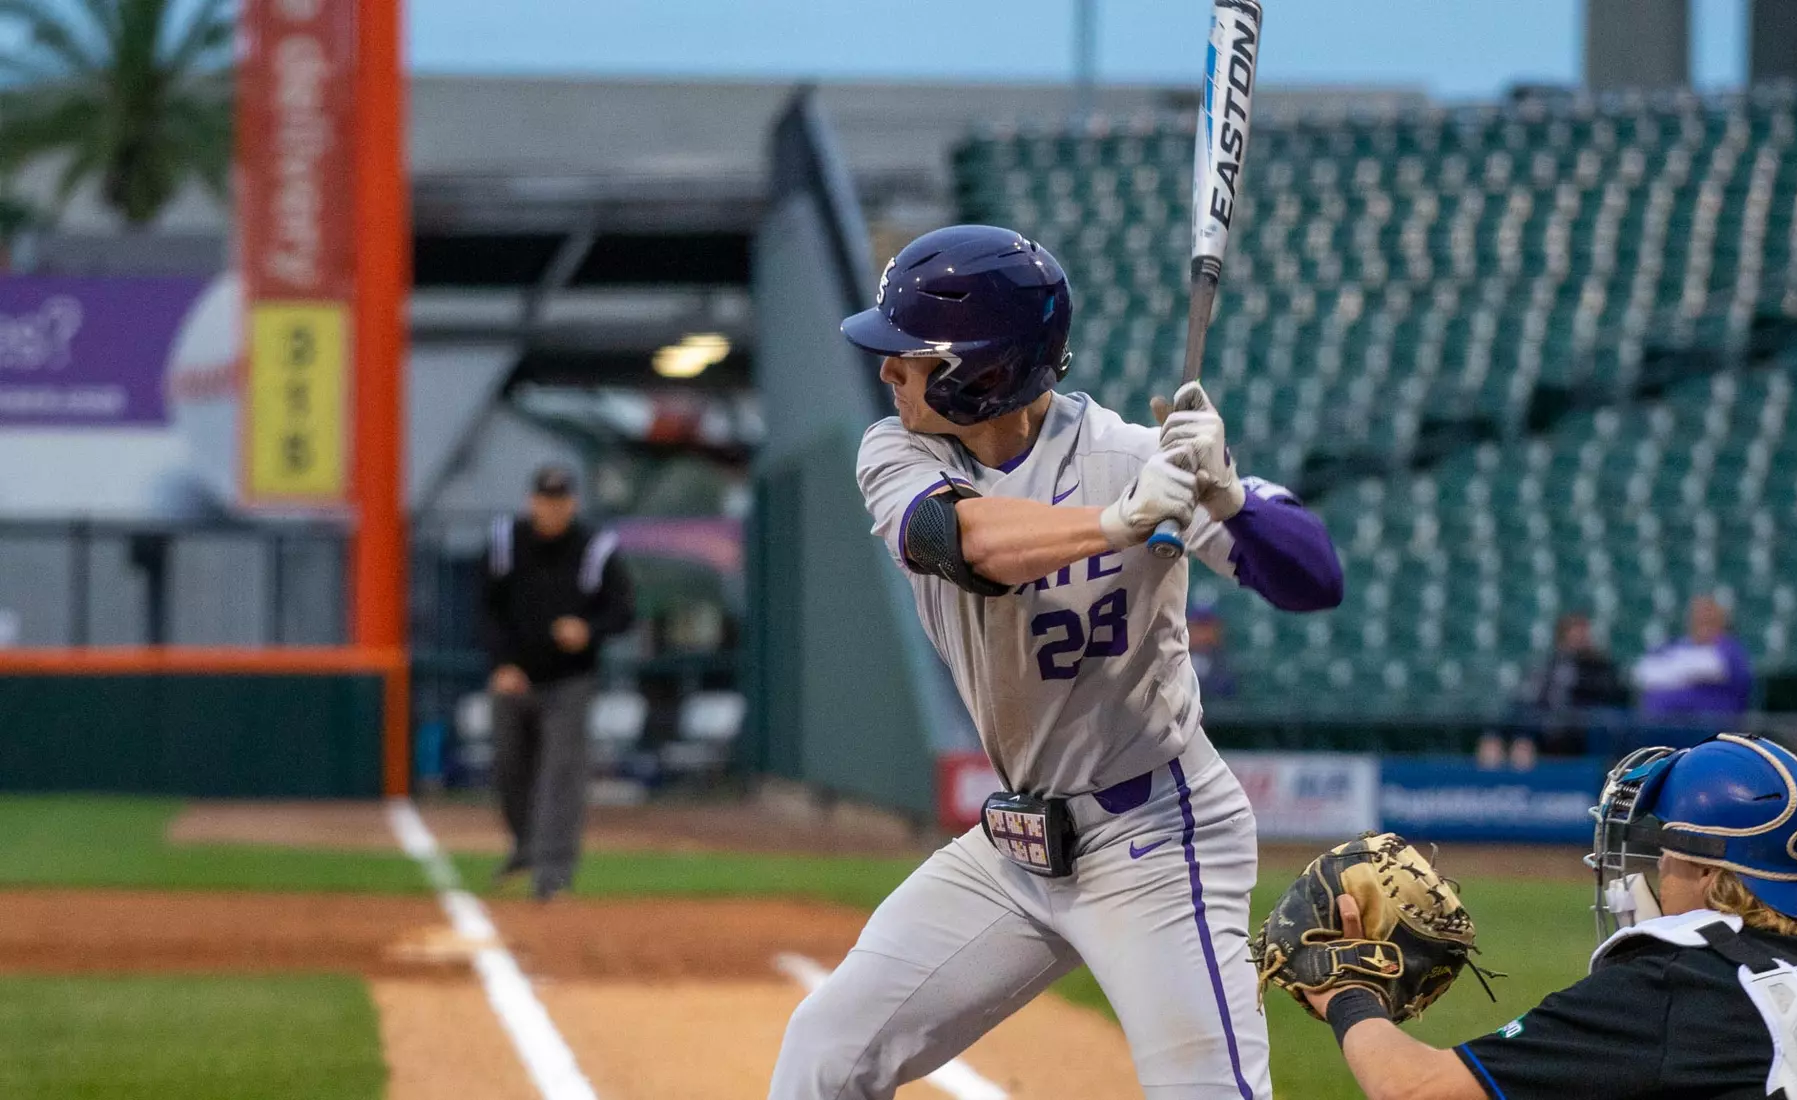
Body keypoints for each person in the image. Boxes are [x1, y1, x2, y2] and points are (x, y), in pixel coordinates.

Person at [768, 225, 1344, 1099]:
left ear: (986, 372)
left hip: (1157, 835)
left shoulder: (1130, 458)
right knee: (827, 1051)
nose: (888, 372)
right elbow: (958, 539)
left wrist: (1228, 495)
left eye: (912, 357)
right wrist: (1118, 522)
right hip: (1018, 847)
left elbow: (1315, 579)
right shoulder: (897, 449)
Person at [1300, 732, 1797, 1100]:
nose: (1653, 880)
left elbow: (1414, 1091)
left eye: (1665, 858)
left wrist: (1348, 992)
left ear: (1710, 875)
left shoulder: (1675, 983)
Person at [480, 465, 636, 900]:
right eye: (544, 500)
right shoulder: (505, 543)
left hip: (570, 680)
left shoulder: (594, 548)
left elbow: (623, 610)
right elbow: (486, 610)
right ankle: (525, 844)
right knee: (509, 764)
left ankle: (553, 871)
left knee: (560, 774)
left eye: (560, 500)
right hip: (516, 675)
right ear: (532, 502)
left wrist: (589, 630)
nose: (551, 508)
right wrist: (501, 664)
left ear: (572, 503)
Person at [1481, 613, 1629, 767]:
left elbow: (1608, 694)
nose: (1580, 638)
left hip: (1575, 721)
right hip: (1542, 717)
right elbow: (1536, 693)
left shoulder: (1598, 667)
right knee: (1504, 728)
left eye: (1583, 633)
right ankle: (1494, 779)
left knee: (1529, 733)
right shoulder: (1551, 663)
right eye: (1575, 633)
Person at [1630, 593, 1754, 721]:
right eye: (1699, 618)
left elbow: (1708, 668)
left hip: (1711, 727)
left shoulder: (1731, 650)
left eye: (1709, 619)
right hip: (1662, 725)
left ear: (1722, 622)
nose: (1703, 623)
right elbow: (1642, 673)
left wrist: (1672, 672)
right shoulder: (1676, 645)